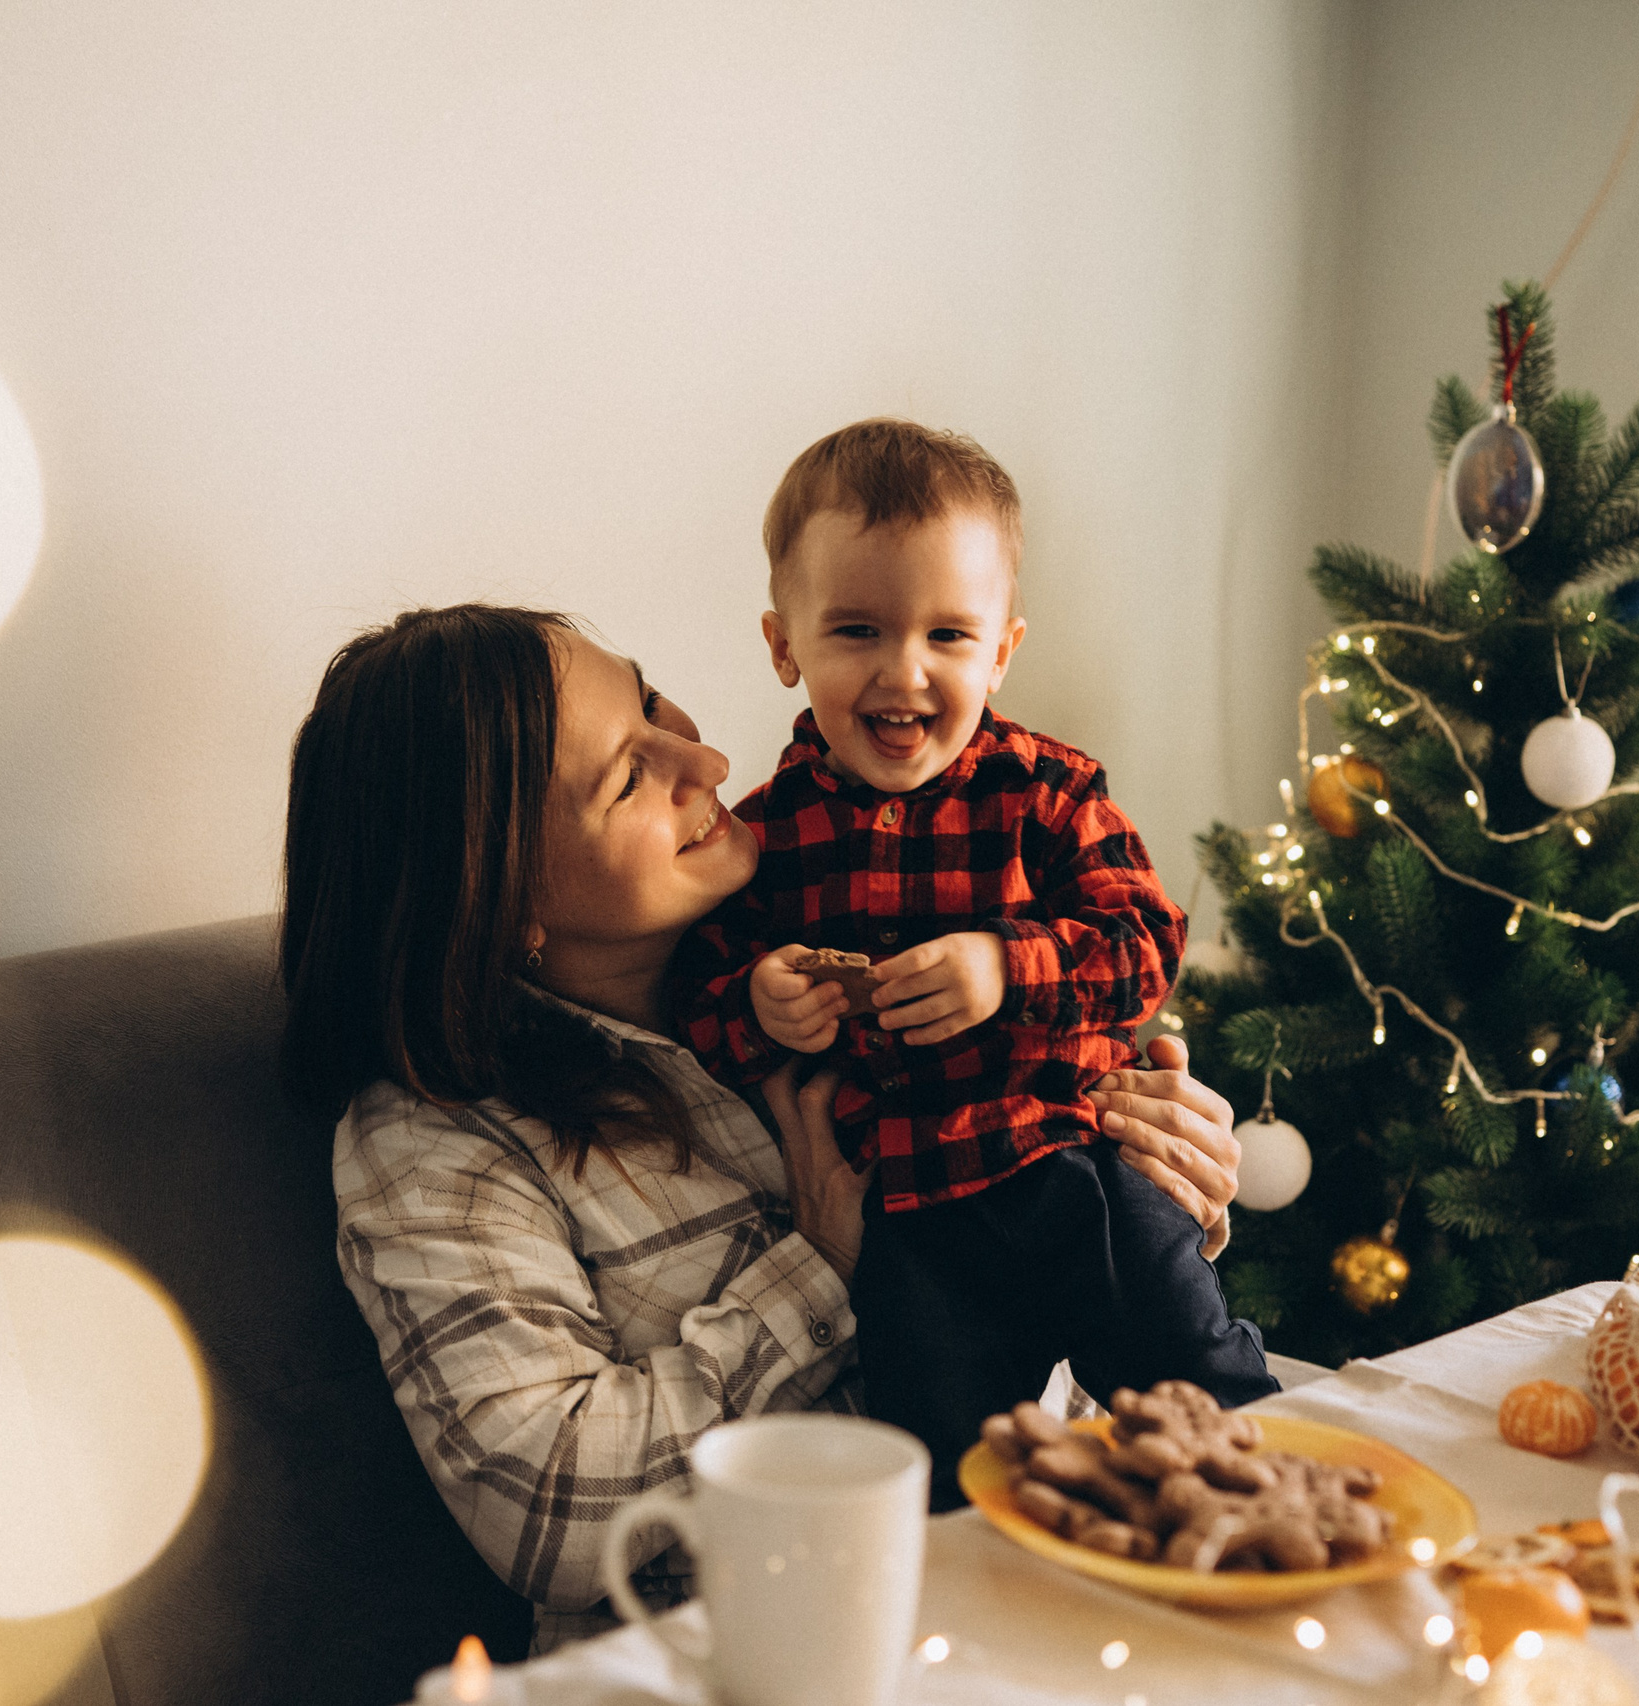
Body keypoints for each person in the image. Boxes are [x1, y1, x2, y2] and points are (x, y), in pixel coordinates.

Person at [282, 602, 1246, 1653]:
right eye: (627, 776)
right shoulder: (438, 1143)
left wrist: (1142, 1164)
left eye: (652, 702)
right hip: (755, 1657)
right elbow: (545, 1505)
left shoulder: (840, 924)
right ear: (502, 900)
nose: (703, 756)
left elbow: (1047, 1250)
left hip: (1044, 1584)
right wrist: (818, 1263)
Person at [671, 420, 1274, 1506]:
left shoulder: (1048, 793)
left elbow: (1147, 941)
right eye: (856, 628)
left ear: (1001, 648)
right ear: (782, 643)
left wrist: (1008, 967)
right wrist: (761, 1006)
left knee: (1208, 1392)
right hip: (912, 1219)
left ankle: (1284, 1541)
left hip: (1079, 1166)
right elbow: (699, 997)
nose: (905, 671)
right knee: (946, 1476)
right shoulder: (766, 838)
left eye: (948, 634)